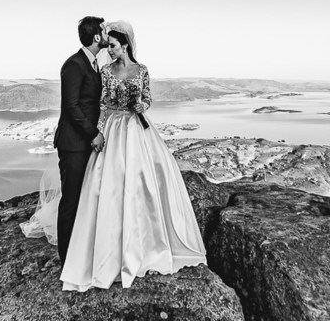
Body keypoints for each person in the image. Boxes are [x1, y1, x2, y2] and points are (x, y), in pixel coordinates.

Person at [59, 20, 207, 292]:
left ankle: (146, 244)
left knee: (143, 184)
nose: (110, 49)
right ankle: (97, 253)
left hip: (138, 130)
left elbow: (148, 97)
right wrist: (98, 130)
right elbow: (100, 103)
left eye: (114, 46)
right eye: (108, 44)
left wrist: (141, 104)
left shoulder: (142, 70)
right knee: (111, 186)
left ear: (125, 45)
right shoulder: (102, 70)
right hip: (114, 130)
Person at [44, 15, 109, 267]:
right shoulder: (74, 64)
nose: (106, 35)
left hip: (83, 144)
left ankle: (79, 250)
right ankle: (66, 258)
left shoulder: (91, 63)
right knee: (71, 200)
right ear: (95, 37)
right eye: (103, 31)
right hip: (73, 145)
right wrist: (93, 134)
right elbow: (71, 106)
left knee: (83, 198)